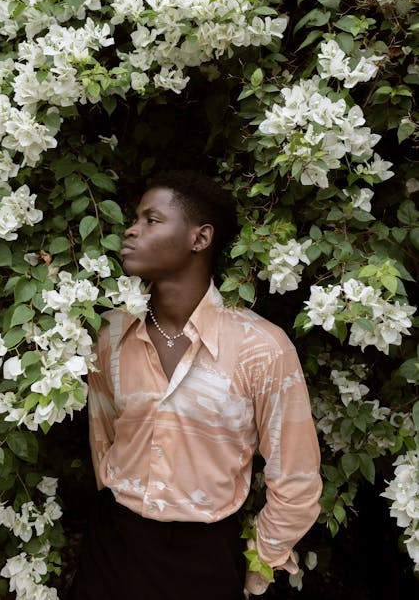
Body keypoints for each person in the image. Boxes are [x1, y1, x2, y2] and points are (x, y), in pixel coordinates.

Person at [69, 170, 322, 599]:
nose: (131, 230)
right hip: (112, 547)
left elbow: (295, 476)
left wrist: (264, 559)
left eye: (152, 220)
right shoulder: (109, 335)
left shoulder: (260, 348)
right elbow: (104, 437)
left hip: (204, 560)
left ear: (200, 238)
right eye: (135, 219)